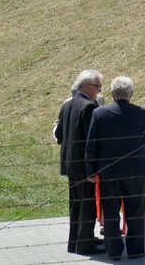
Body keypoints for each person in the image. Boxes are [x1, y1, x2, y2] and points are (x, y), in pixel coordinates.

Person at [86, 76, 145, 260]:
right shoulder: (140, 112)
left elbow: (91, 144)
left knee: (110, 211)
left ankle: (114, 251)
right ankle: (135, 250)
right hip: (135, 170)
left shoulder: (99, 114)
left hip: (108, 170)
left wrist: (91, 171)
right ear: (131, 94)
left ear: (111, 94)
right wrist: (138, 143)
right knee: (135, 211)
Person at [55, 69, 105, 255]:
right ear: (86, 86)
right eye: (97, 86)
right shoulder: (89, 107)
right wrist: (92, 169)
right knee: (87, 207)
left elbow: (59, 134)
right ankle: (85, 245)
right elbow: (91, 142)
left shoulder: (67, 104)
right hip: (84, 167)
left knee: (75, 206)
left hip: (69, 164)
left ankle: (74, 243)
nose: (99, 91)